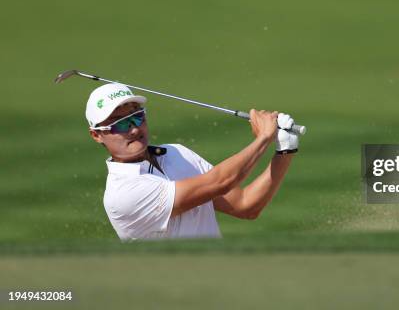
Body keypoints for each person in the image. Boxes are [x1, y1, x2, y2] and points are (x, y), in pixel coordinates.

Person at [85, 83, 298, 240]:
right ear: (96, 135)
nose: (134, 129)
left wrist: (285, 150)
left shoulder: (176, 153)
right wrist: (263, 138)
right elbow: (221, 181)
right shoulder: (123, 194)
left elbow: (245, 205)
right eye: (120, 125)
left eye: (137, 117)